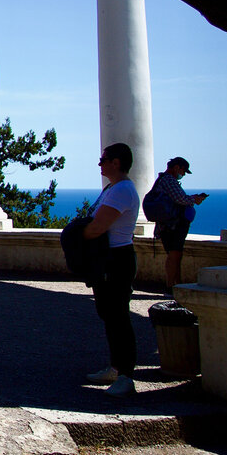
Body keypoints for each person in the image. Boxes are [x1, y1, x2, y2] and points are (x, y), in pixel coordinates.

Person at [84, 142, 141, 398]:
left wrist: (75, 236)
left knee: (118, 317)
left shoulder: (122, 190)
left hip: (117, 258)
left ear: (116, 162)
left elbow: (98, 227)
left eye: (103, 159)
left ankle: (126, 376)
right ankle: (116, 368)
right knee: (109, 314)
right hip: (111, 257)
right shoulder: (114, 188)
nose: (100, 163)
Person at [150, 156, 208, 292]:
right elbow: (180, 199)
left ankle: (176, 284)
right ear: (177, 167)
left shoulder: (162, 180)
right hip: (172, 226)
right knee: (174, 255)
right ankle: (171, 286)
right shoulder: (169, 180)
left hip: (167, 225)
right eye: (183, 171)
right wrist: (194, 199)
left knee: (174, 254)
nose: (183, 174)